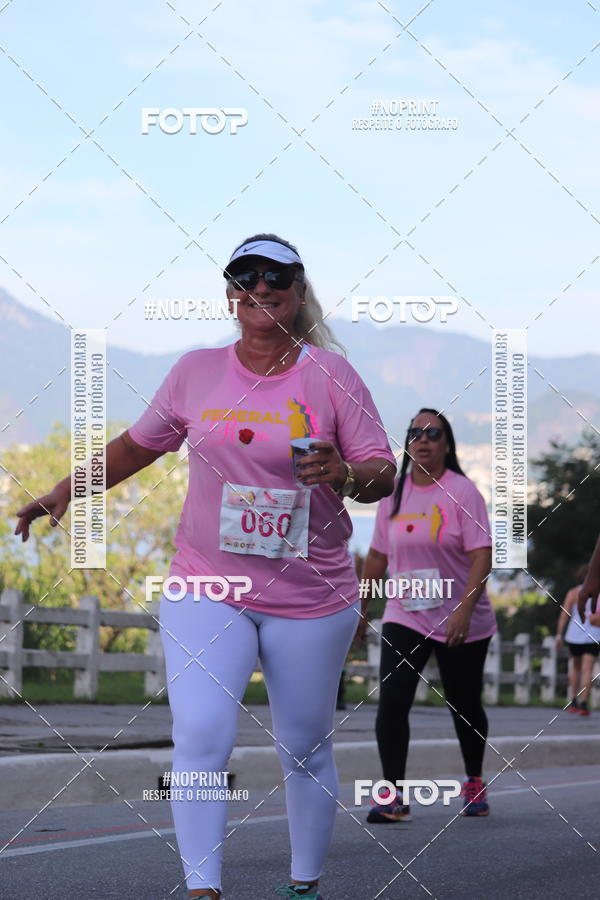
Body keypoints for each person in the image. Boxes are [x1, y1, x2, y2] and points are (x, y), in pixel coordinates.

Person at [15, 234, 396, 899]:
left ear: (299, 290)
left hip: (310, 593)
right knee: (199, 734)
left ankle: (304, 885)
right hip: (206, 583)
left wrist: (343, 473)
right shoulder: (196, 371)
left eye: (277, 276)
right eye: (245, 276)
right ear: (229, 293)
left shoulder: (333, 375)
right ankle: (202, 889)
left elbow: (383, 474)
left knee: (304, 746)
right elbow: (137, 447)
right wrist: (67, 489)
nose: (261, 286)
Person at [357, 408, 495, 820]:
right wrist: (362, 606)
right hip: (406, 612)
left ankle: (474, 779)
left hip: (460, 617)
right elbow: (377, 555)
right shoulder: (393, 493)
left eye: (433, 433)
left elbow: (482, 555)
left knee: (464, 703)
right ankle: (392, 796)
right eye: (415, 432)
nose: (422, 439)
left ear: (447, 445)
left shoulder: (463, 492)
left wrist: (464, 610)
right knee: (392, 702)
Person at [556, 565, 600, 715]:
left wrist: (559, 635)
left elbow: (564, 615)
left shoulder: (574, 592)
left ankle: (573, 699)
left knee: (575, 667)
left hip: (574, 634)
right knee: (588, 670)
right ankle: (583, 702)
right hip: (594, 635)